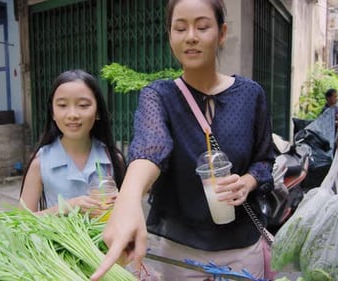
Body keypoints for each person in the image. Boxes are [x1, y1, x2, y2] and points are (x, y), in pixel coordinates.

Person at [91, 0, 274, 280]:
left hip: (242, 248)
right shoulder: (159, 95)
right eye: (180, 28)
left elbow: (264, 160)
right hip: (178, 252)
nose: (191, 36)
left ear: (221, 33)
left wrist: (246, 183)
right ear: (170, 36)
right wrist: (129, 197)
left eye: (202, 26)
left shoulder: (251, 95)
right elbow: (150, 147)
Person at [19, 70, 126, 214]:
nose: (73, 115)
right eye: (62, 105)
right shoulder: (40, 163)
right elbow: (21, 223)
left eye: (83, 105)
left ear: (98, 112)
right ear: (53, 113)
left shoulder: (113, 159)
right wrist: (66, 207)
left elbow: (127, 214)